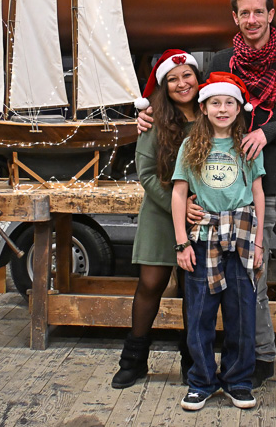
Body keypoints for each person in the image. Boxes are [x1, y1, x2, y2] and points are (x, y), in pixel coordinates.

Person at [140, 0, 276, 399]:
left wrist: (268, 133)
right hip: (238, 202)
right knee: (252, 287)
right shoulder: (222, 61)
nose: (252, 19)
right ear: (235, 18)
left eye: (258, 12)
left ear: (270, 14)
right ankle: (261, 358)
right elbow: (189, 100)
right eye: (244, 13)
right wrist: (149, 115)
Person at [171, 72, 265, 411]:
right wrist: (182, 243)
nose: (222, 109)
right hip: (203, 237)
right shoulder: (190, 146)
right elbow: (179, 194)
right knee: (199, 314)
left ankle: (238, 381)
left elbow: (258, 193)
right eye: (215, 103)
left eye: (229, 103)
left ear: (239, 109)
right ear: (204, 107)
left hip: (241, 237)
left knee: (242, 314)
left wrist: (258, 242)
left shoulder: (247, 146)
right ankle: (201, 381)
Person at [111, 49, 200, 389]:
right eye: (173, 79)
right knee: (150, 284)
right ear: (164, 86)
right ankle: (133, 360)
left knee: (194, 291)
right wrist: (177, 206)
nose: (181, 83)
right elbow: (146, 173)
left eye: (187, 75)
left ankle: (193, 361)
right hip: (161, 212)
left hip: (200, 214)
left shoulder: (211, 114)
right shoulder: (154, 121)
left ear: (197, 77)